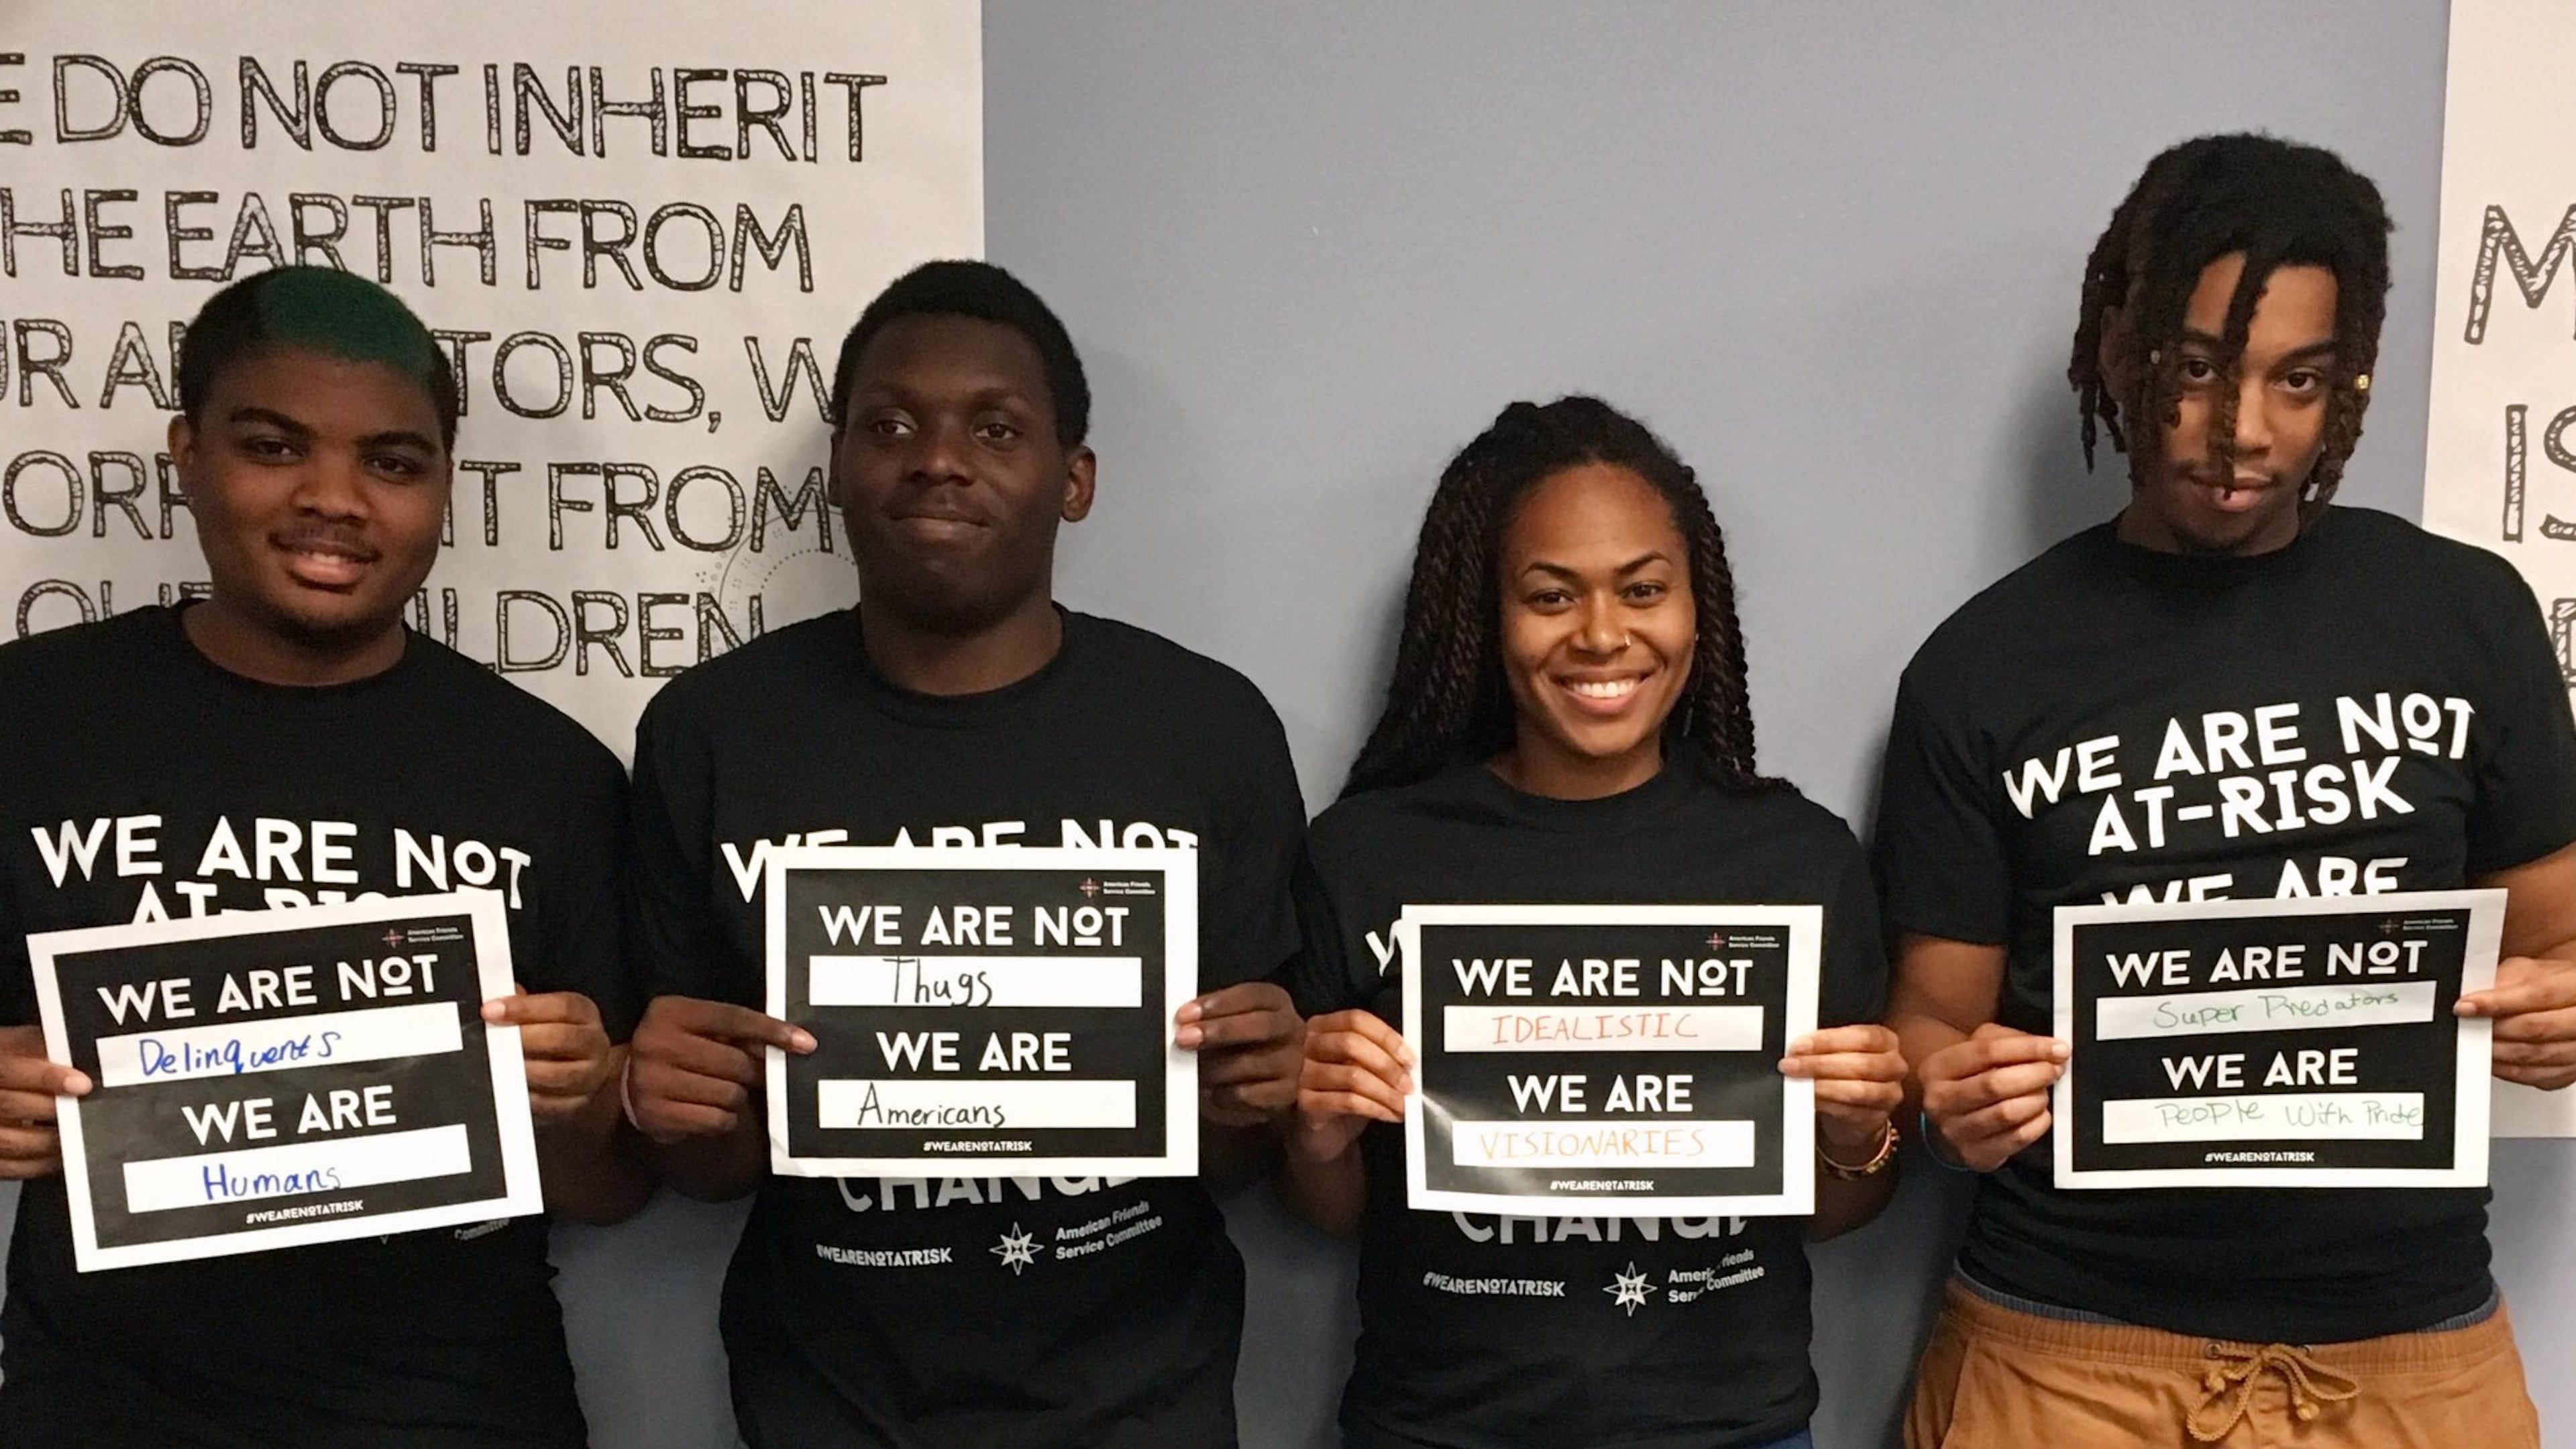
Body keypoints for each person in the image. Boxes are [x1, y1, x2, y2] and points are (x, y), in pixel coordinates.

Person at [1878, 133, 2576, 1447]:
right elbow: (1928, 1018)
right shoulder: (1986, 665)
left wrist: (2563, 1013)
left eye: (2296, 381)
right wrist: (1948, 1092)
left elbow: (2559, 943)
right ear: (2123, 349)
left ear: (2347, 382)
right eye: (2195, 369)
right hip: (2063, 1361)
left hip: (2406, 1360)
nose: (2238, 430)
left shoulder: (2466, 617)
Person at [620, 258, 1309, 1448]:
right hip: (831, 1406)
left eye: (996, 428)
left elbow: (1236, 1153)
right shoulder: (712, 731)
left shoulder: (1207, 729)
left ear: (1074, 479)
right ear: (839, 465)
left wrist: (1265, 1087)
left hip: (1136, 1404)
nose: (938, 458)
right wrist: (667, 1097)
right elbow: (714, 1166)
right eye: (889, 424)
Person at [0, 265, 646, 1446]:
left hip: (454, 1411)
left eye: (394, 463)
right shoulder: (30, 720)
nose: (335, 499)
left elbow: (608, 1189)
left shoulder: (549, 774)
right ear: (186, 452)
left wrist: (585, 1101)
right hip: (101, 1411)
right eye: (274, 446)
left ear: (445, 487)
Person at [1280, 396, 1905, 1449]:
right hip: (1441, 1428)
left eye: (1644, 590)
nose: (1604, 634)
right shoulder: (1367, 854)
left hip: (1725, 1430)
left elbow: (1833, 1212)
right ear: (1490, 615)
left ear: (1696, 605)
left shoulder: (1798, 858)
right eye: (1550, 595)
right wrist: (1317, 1125)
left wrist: (1854, 1134)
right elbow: (1332, 1213)